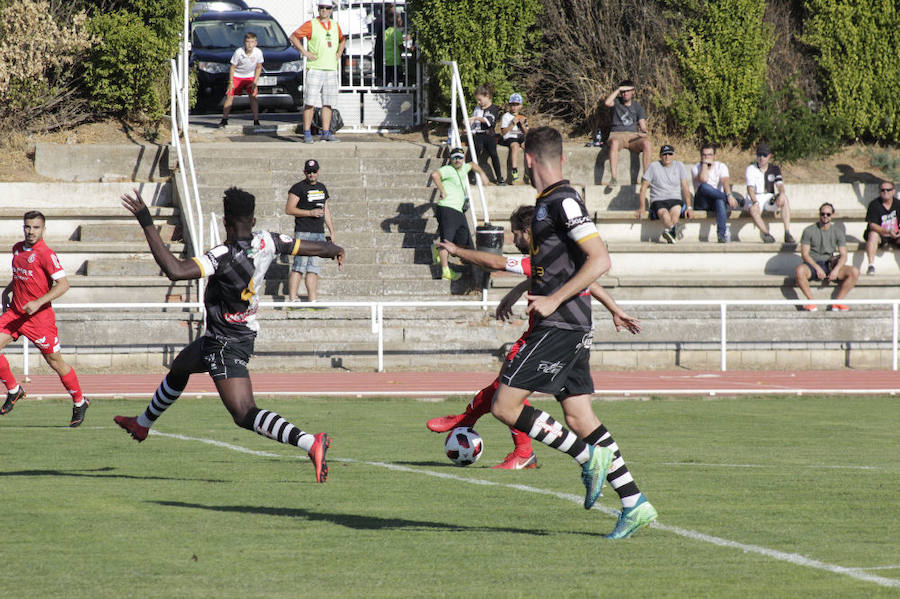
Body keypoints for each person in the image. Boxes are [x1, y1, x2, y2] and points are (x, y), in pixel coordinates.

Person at [489, 126, 657, 539]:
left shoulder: (561, 202)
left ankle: (587, 458)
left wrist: (551, 300)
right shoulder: (549, 203)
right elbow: (577, 264)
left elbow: (600, 259)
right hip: (574, 322)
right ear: (560, 158)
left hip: (560, 323)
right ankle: (635, 503)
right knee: (579, 415)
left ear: (528, 159)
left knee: (504, 406)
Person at [114, 187, 345, 483]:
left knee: (244, 413)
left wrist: (146, 220)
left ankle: (310, 442)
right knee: (182, 365)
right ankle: (142, 424)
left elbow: (175, 269)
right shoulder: (267, 240)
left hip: (226, 344)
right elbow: (308, 246)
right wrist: (334, 249)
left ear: (225, 221)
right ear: (253, 218)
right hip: (233, 334)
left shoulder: (222, 256)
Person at [427, 206, 642, 470]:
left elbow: (496, 263)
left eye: (516, 234)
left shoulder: (542, 257)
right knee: (577, 417)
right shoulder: (560, 255)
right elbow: (589, 282)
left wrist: (457, 250)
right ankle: (619, 477)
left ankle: (507, 442)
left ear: (528, 233)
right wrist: (615, 311)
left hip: (552, 334)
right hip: (577, 335)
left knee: (506, 394)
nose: (514, 240)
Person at [0, 211, 88, 427]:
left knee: (55, 362)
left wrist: (38, 303)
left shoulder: (46, 254)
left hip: (39, 318)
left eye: (36, 227)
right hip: (16, 313)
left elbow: (63, 285)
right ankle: (14, 390)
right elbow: (20, 276)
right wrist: (7, 291)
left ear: (43, 229)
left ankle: (79, 401)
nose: (31, 231)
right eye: (27, 227)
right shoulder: (17, 249)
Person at [430, 147, 491, 281]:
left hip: (458, 210)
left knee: (464, 242)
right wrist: (442, 190)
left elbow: (473, 165)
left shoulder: (464, 168)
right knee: (447, 241)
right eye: (454, 158)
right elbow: (435, 175)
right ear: (450, 159)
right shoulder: (448, 169)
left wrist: (483, 175)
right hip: (447, 208)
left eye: (460, 157)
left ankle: (437, 248)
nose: (457, 160)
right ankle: (445, 271)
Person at [290, 1, 346, 143]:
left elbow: (342, 39)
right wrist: (304, 52)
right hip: (315, 68)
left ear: (331, 10)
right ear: (318, 9)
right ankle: (307, 132)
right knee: (310, 102)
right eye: (322, 8)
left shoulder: (335, 25)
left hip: (331, 68)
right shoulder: (311, 24)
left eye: (327, 8)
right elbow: (294, 37)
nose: (324, 11)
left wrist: (339, 52)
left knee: (328, 103)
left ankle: (326, 132)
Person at [285, 159, 336, 304]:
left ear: (319, 172)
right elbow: (289, 209)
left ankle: (313, 299)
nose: (311, 174)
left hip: (318, 233)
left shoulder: (322, 187)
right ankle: (293, 299)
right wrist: (310, 213)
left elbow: (326, 210)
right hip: (303, 232)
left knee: (314, 268)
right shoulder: (297, 188)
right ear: (304, 172)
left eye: (314, 172)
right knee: (299, 266)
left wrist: (331, 231)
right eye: (309, 172)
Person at [795, 202, 858, 312]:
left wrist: (836, 270)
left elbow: (844, 255)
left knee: (854, 271)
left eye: (828, 214)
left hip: (830, 263)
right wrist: (817, 268)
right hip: (812, 264)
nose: (825, 216)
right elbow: (805, 254)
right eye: (823, 214)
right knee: (799, 271)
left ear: (832, 215)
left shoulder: (837, 232)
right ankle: (811, 302)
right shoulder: (809, 230)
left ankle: (838, 302)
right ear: (819, 214)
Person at [637, 144, 693, 244]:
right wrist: (642, 207)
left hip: (675, 199)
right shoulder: (653, 166)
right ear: (660, 156)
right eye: (664, 154)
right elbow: (643, 187)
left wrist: (689, 207)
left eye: (669, 154)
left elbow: (685, 187)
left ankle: (671, 235)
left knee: (675, 216)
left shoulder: (679, 165)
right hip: (658, 200)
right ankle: (674, 229)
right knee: (664, 214)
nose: (667, 156)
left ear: (673, 155)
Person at [603, 80, 653, 186]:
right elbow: (607, 103)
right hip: (617, 135)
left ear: (633, 92)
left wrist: (644, 132)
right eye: (623, 91)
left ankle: (647, 179)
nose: (624, 94)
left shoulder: (637, 106)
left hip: (632, 136)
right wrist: (618, 89)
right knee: (615, 143)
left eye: (627, 91)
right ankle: (614, 178)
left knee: (647, 143)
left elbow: (643, 125)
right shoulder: (616, 102)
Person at [744, 143, 795, 244]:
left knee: (784, 199)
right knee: (753, 209)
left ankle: (787, 232)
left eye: (764, 155)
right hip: (755, 196)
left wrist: (781, 193)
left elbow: (779, 184)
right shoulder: (751, 169)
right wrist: (755, 202)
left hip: (768, 197)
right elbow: (750, 188)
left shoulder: (775, 169)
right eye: (759, 155)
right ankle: (766, 234)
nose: (761, 158)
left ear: (769, 156)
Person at [691, 144, 738, 243]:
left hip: (716, 201)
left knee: (719, 200)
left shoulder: (721, 166)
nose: (706, 157)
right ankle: (729, 199)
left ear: (714, 156)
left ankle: (721, 235)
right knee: (704, 186)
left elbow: (725, 181)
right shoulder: (696, 168)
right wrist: (704, 164)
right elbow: (703, 179)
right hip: (701, 202)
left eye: (709, 155)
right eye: (704, 155)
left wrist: (729, 194)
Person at [218, 32, 263, 128]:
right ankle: (224, 119)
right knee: (230, 95)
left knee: (253, 96)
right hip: (237, 75)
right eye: (247, 42)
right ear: (244, 42)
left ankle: (256, 120)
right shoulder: (239, 52)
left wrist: (255, 81)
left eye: (252, 42)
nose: (249, 44)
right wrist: (231, 82)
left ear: (256, 43)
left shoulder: (258, 52)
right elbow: (232, 67)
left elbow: (259, 67)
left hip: (250, 75)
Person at [469, 84, 504, 184]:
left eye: (480, 99)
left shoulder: (493, 109)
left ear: (487, 96)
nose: (478, 102)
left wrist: (475, 118)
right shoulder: (477, 108)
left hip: (489, 135)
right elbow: (474, 123)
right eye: (477, 100)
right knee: (475, 152)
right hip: (478, 135)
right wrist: (469, 125)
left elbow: (489, 122)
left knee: (493, 154)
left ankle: (499, 177)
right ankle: (473, 176)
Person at [864, 181, 900, 275]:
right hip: (880, 234)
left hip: (896, 234)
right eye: (882, 190)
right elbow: (872, 225)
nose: (885, 192)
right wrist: (887, 231)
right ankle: (871, 265)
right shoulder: (874, 205)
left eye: (888, 190)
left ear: (893, 191)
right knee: (872, 234)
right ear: (879, 192)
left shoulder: (898, 204)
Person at [499, 93, 528, 184]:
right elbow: (503, 132)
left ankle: (528, 171)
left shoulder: (523, 117)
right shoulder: (506, 116)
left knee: (529, 147)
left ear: (521, 105)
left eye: (517, 105)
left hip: (520, 137)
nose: (514, 107)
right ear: (509, 105)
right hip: (510, 137)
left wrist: (522, 125)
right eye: (512, 105)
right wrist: (512, 124)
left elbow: (526, 132)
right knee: (515, 146)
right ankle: (514, 170)